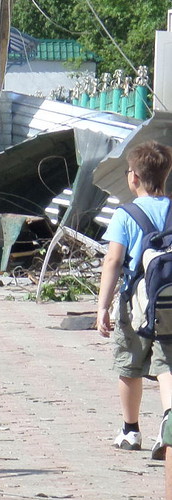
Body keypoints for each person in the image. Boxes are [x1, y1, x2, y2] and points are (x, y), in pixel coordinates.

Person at [96, 141, 172, 460]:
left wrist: (103, 305)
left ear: (134, 179)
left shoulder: (126, 214)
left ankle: (131, 430)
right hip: (168, 298)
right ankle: (169, 419)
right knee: (168, 362)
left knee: (129, 363)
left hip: (135, 302)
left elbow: (113, 261)